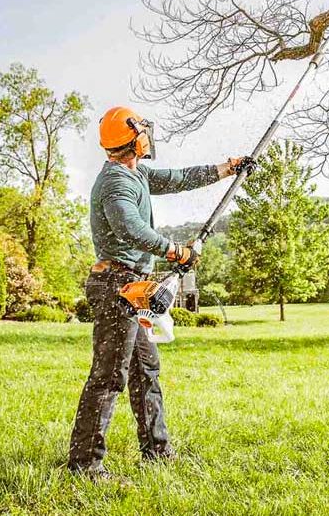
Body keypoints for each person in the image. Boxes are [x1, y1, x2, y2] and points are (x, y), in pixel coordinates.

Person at [68, 105, 245, 480]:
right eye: (143, 130)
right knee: (109, 375)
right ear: (132, 138)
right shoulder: (116, 182)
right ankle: (85, 463)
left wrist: (226, 168)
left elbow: (180, 177)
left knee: (146, 370)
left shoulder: (138, 173)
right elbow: (130, 228)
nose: (149, 135)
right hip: (117, 287)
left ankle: (157, 451)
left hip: (133, 289)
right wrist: (175, 250)